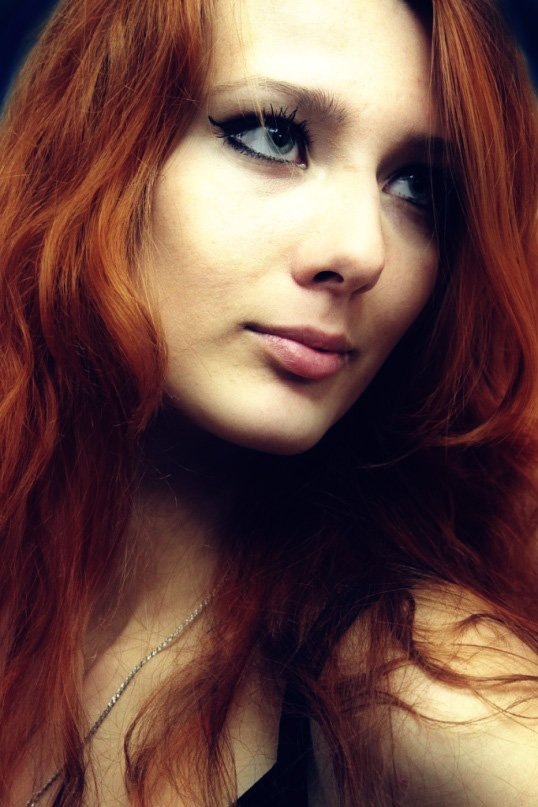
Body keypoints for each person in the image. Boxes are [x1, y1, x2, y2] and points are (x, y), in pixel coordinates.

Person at [0, 0, 537, 804]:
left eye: (417, 185)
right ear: (95, 139)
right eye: (274, 136)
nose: (362, 252)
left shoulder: (412, 681)